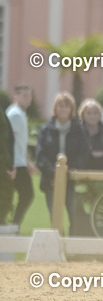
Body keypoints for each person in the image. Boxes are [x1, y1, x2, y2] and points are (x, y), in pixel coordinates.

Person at [35, 92, 88, 217]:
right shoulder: (45, 130)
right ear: (55, 108)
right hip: (51, 180)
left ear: (71, 109)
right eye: (60, 106)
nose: (63, 109)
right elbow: (40, 155)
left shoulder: (79, 130)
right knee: (55, 216)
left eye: (66, 106)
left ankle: (71, 236)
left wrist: (69, 171)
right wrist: (54, 173)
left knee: (74, 215)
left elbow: (84, 153)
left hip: (72, 179)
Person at [6, 84, 34, 226]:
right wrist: (11, 164)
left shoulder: (19, 113)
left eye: (29, 96)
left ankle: (13, 225)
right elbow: (9, 141)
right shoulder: (15, 114)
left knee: (25, 194)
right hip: (15, 164)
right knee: (27, 194)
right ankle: (14, 225)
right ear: (15, 96)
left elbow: (19, 142)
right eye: (24, 96)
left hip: (19, 162)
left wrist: (27, 161)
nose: (28, 99)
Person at [79, 99, 103, 171]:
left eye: (95, 113)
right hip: (81, 170)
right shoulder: (77, 132)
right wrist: (90, 153)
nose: (92, 116)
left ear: (100, 115)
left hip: (102, 171)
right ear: (83, 115)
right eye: (89, 113)